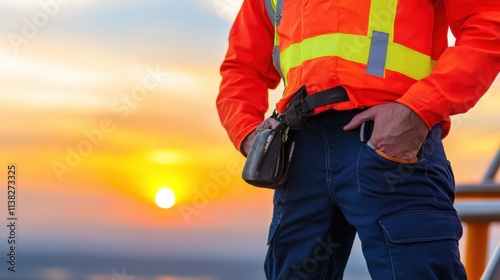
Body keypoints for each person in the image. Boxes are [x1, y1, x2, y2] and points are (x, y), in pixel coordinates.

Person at [216, 0, 499, 279]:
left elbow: (488, 24)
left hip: (391, 143)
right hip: (301, 151)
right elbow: (242, 67)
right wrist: (247, 133)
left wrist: (418, 110)